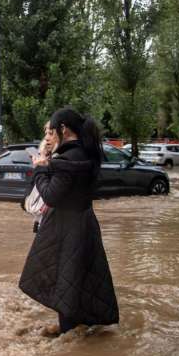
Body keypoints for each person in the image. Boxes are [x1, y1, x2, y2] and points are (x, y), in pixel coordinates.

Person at [18, 108, 119, 335]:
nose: (49, 137)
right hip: (85, 224)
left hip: (66, 229)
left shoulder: (67, 159)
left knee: (64, 281)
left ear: (64, 129)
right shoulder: (86, 154)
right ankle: (84, 331)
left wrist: (40, 169)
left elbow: (51, 195)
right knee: (82, 280)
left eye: (52, 132)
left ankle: (69, 337)